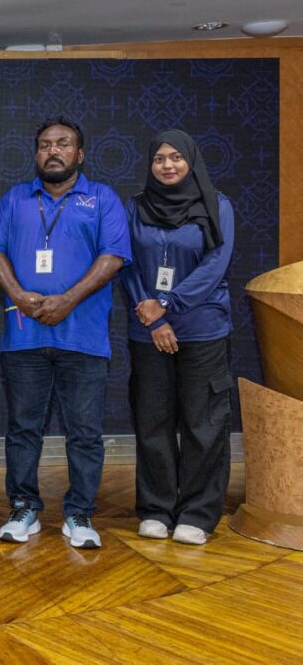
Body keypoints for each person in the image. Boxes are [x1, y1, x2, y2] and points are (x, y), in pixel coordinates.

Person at [0, 116, 131, 549]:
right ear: (36, 154)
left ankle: (80, 514)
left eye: (63, 144)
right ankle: (23, 507)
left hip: (83, 338)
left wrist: (67, 300)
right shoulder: (15, 199)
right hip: (24, 336)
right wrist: (19, 295)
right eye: (45, 144)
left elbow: (113, 257)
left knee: (84, 431)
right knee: (23, 428)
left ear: (79, 154)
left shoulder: (102, 198)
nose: (53, 151)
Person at [120, 129, 234, 546]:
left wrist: (167, 304)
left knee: (204, 423)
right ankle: (156, 509)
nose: (167, 165)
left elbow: (215, 265)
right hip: (148, 332)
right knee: (153, 421)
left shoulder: (217, 204)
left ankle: (197, 514)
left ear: (191, 161)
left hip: (203, 330)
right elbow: (127, 264)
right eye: (159, 159)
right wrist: (153, 320)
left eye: (176, 157)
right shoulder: (136, 207)